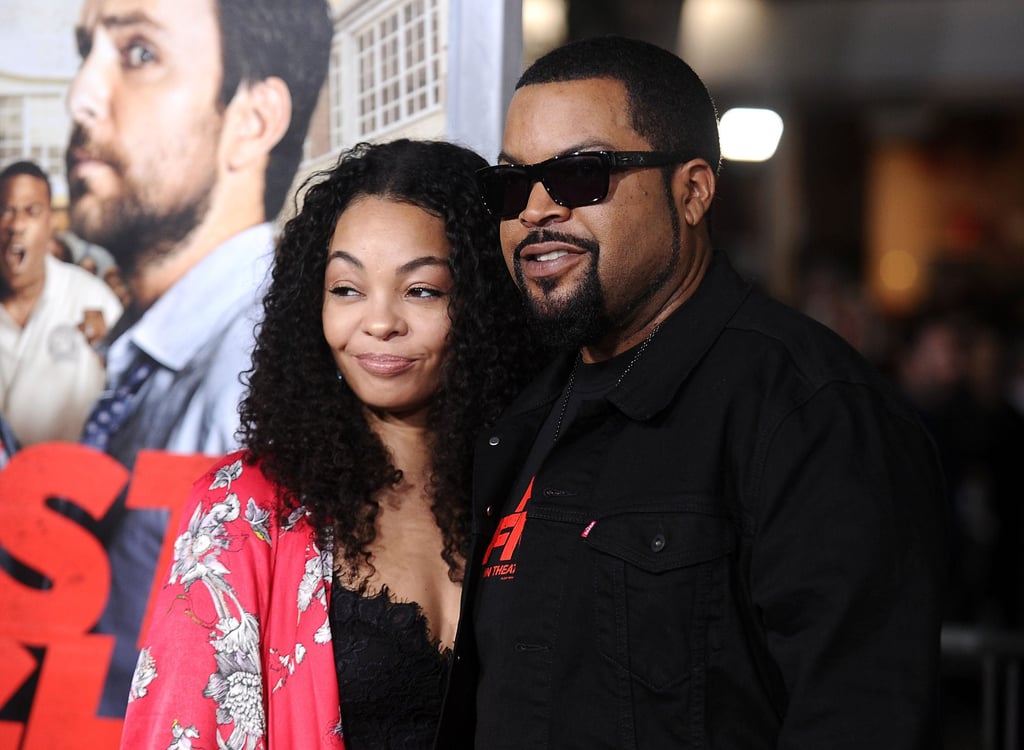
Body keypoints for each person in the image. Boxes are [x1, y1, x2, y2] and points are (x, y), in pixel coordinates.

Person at [436, 36, 947, 749]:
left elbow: (861, 716)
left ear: (694, 191)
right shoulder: (521, 414)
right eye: (512, 185)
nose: (536, 211)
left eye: (582, 175)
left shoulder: (811, 413)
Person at [118, 139, 541, 749]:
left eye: (422, 290)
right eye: (347, 288)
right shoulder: (243, 510)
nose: (379, 322)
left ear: (483, 303)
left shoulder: (541, 485)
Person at [63, 0, 333, 716]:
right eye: (84, 50)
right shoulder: (162, 344)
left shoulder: (266, 369)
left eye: (139, 54)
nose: (81, 97)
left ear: (253, 119)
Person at [0, 160, 123, 445]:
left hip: (72, 483)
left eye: (31, 211)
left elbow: (129, 398)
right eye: (5, 211)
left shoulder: (91, 299)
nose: (16, 225)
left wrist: (108, 350)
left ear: (50, 223)